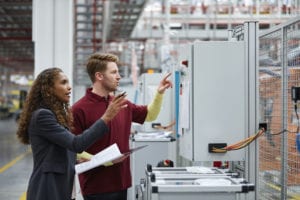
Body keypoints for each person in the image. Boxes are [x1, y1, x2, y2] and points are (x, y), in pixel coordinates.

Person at [72, 53, 172, 200]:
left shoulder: (121, 103)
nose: (119, 76)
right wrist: (106, 161)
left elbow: (149, 115)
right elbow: (73, 148)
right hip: (96, 186)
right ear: (99, 76)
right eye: (113, 72)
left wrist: (159, 93)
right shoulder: (79, 109)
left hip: (121, 182)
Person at [16, 67, 127, 200]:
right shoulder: (43, 116)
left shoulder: (56, 115)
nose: (69, 87)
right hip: (47, 189)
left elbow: (59, 150)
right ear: (49, 89)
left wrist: (83, 160)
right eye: (63, 82)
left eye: (68, 83)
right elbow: (76, 144)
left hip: (61, 187)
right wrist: (106, 117)